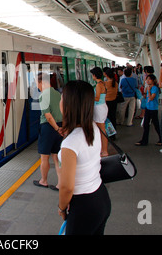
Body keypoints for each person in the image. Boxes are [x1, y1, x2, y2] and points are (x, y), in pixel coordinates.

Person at [58, 80, 111, 235]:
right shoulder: (93, 128)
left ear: (69, 105)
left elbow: (67, 187)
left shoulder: (71, 143)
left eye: (62, 98)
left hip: (83, 205)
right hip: (100, 197)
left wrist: (61, 207)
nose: (60, 101)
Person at [33, 72, 63, 191]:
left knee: (44, 157)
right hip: (60, 126)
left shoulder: (44, 95)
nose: (37, 87)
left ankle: (43, 181)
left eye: (37, 84)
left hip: (48, 128)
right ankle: (60, 183)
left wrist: (56, 128)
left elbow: (48, 115)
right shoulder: (58, 94)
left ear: (42, 82)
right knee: (57, 157)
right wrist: (61, 128)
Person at [135, 74, 162, 146]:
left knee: (156, 125)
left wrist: (149, 91)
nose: (147, 80)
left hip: (153, 109)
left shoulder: (154, 88)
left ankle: (161, 139)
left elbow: (151, 98)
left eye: (149, 79)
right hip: (148, 108)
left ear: (153, 80)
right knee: (146, 125)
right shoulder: (149, 87)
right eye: (147, 79)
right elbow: (145, 97)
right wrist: (145, 91)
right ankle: (144, 140)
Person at [90, 67, 108, 156]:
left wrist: (87, 97)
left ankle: (105, 151)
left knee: (101, 129)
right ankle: (102, 149)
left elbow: (97, 98)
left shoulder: (98, 85)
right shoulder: (102, 83)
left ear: (94, 75)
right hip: (102, 106)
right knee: (101, 129)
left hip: (99, 108)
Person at [104, 68, 118, 136]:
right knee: (113, 117)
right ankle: (113, 133)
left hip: (107, 103)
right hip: (114, 102)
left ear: (106, 75)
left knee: (108, 119)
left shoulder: (106, 84)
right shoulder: (115, 83)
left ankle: (110, 133)